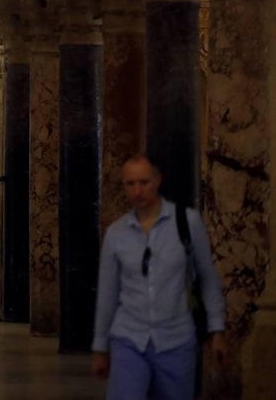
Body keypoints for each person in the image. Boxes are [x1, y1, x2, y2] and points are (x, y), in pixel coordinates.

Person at [91, 154, 229, 400]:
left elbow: (207, 277)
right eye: (130, 184)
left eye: (143, 182)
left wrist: (216, 328)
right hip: (129, 337)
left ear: (157, 181)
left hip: (176, 339)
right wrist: (100, 346)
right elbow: (107, 293)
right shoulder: (116, 234)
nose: (137, 191)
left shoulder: (187, 223)